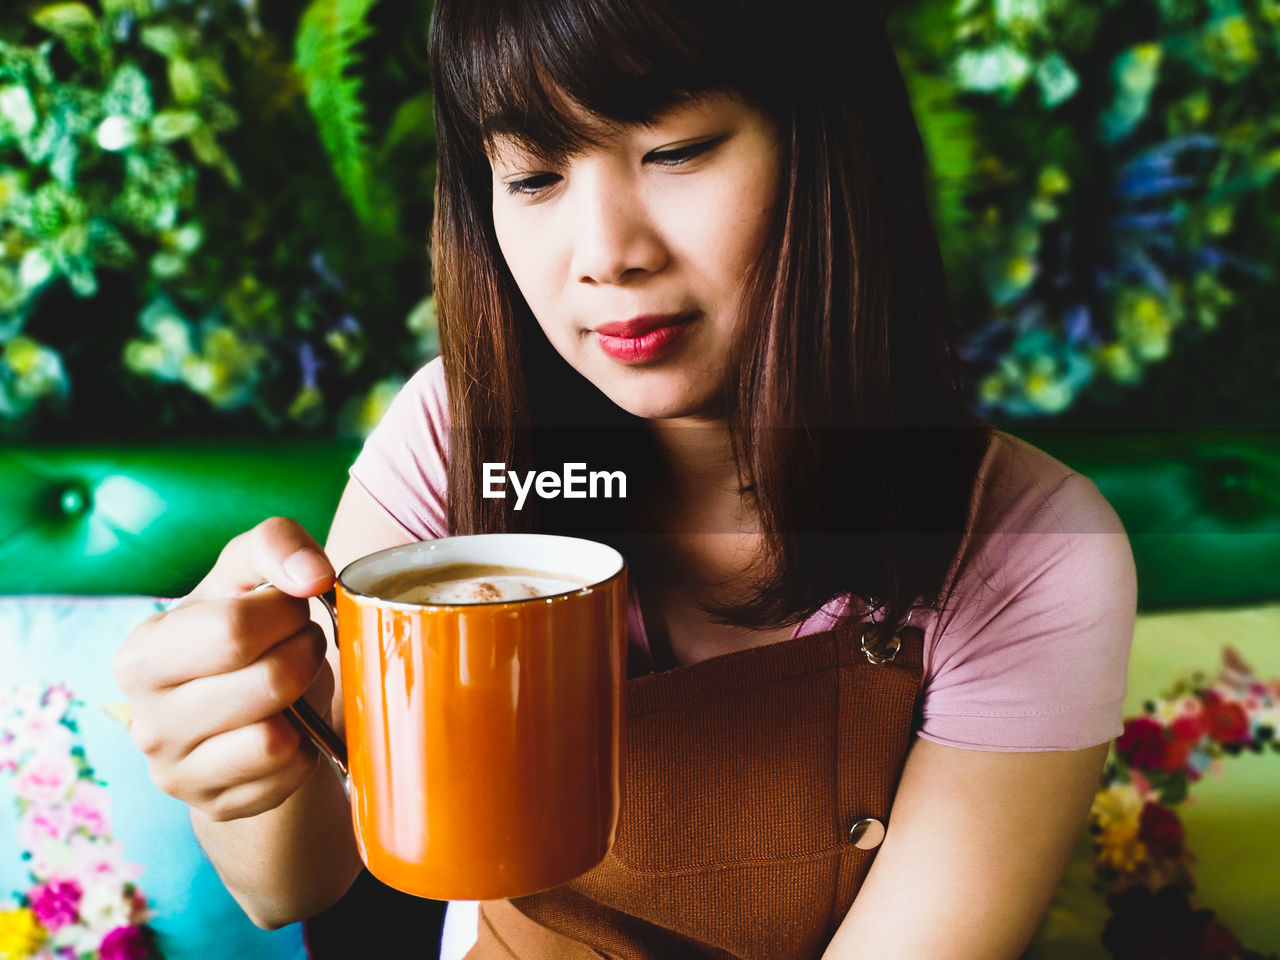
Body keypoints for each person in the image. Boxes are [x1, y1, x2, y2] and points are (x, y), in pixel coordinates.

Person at [112, 0, 1138, 956]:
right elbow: (291, 885)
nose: (604, 255)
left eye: (676, 150)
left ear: (830, 151)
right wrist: (242, 770)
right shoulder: (455, 438)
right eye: (533, 176)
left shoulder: (1023, 553)